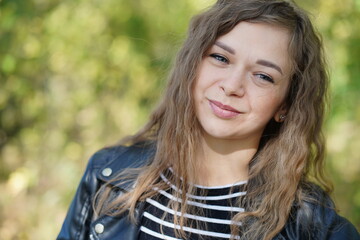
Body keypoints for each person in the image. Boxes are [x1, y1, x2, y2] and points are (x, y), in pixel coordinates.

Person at [57, 0, 360, 239]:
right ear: (193, 65)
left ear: (286, 105)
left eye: (264, 76)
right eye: (220, 58)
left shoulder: (314, 227)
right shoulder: (108, 177)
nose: (232, 86)